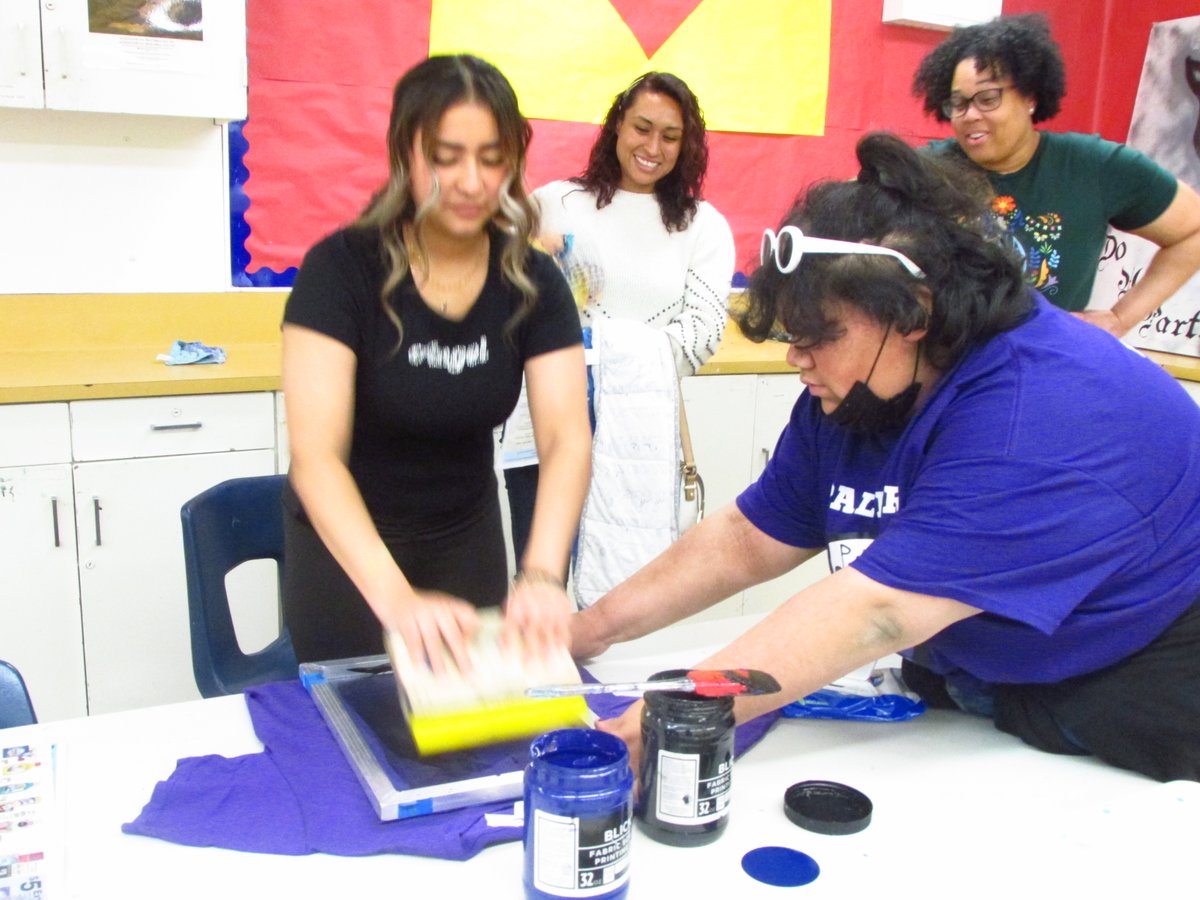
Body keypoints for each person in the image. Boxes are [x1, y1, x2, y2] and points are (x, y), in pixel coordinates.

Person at [570, 132, 1200, 783]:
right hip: (979, 669)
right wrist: (589, 629)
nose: (797, 360)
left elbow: (878, 612)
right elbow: (746, 539)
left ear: (914, 312)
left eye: (817, 338)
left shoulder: (1034, 413)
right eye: (793, 335)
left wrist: (679, 713)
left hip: (1136, 681)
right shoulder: (862, 380)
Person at [280, 55, 591, 672]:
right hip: (350, 554)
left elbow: (565, 437)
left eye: (492, 157)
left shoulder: (532, 280)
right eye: (446, 157)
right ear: (406, 154)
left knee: (472, 743)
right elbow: (316, 460)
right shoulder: (339, 271)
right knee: (354, 744)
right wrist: (395, 600)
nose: (472, 181)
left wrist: (543, 573)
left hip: (465, 539)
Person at [503, 71, 735, 567]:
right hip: (542, 425)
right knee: (540, 577)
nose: (653, 146)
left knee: (629, 591)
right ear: (616, 128)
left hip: (643, 435)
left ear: (686, 145)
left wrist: (590, 350)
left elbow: (700, 337)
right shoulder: (553, 204)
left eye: (670, 137)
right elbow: (505, 310)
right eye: (642, 128)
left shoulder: (704, 226)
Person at [912, 13, 1200, 338]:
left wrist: (1121, 318)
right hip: (949, 370)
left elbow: (1192, 231)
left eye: (988, 99)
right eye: (957, 104)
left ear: (1030, 97)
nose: (970, 115)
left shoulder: (1093, 166)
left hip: (1047, 365)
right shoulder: (923, 172)